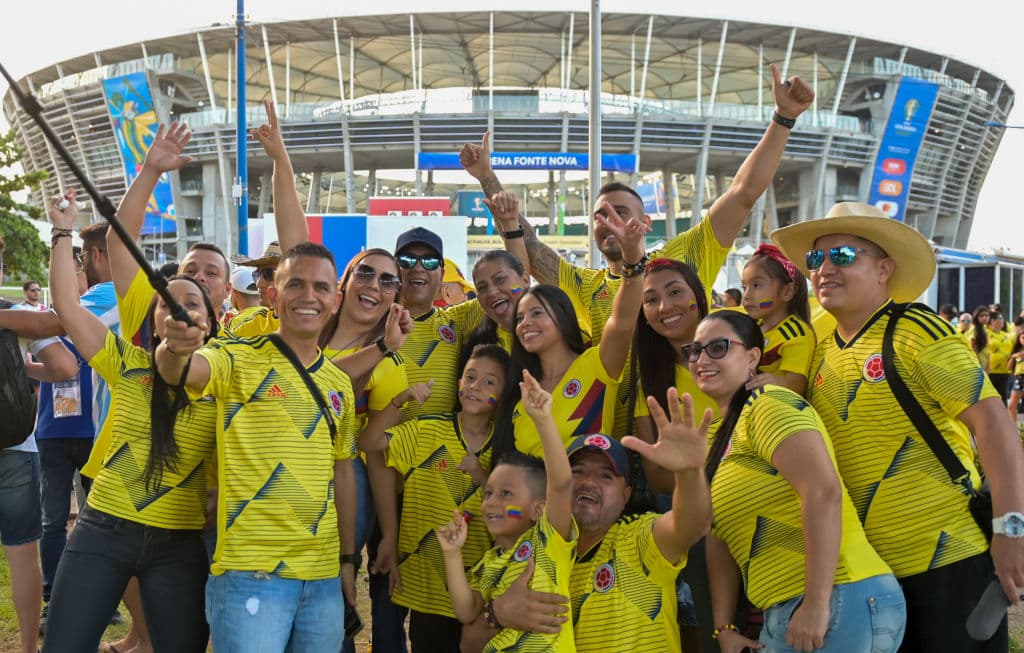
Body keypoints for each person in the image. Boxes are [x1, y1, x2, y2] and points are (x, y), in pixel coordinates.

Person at [465, 63, 813, 436]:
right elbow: (526, 239)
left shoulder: (686, 256)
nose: (609, 221)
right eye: (600, 216)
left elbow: (743, 192)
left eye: (621, 212)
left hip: (708, 431)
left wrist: (783, 118)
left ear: (646, 223)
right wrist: (487, 177)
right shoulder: (583, 285)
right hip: (608, 447)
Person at [772, 201, 1024, 652]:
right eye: (816, 259)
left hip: (947, 560)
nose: (824, 269)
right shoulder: (820, 349)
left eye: (843, 256)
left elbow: (993, 425)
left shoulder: (915, 330)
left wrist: (1011, 531)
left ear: (885, 268)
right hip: (869, 577)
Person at [156, 242, 361, 651]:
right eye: (295, 284)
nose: (309, 296)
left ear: (335, 301)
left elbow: (342, 474)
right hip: (250, 573)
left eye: (321, 287)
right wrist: (174, 347)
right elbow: (182, 371)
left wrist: (348, 562)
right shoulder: (236, 357)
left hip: (321, 579)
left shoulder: (339, 384)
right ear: (272, 295)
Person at [43, 199, 218, 652]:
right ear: (154, 318)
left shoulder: (228, 376)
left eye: (192, 302)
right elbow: (65, 304)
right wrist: (63, 231)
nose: (178, 310)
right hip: (102, 528)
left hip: (180, 542)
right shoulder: (127, 362)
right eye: (168, 303)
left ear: (211, 320)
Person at [690, 310, 904, 653]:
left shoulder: (768, 404)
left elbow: (822, 491)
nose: (702, 359)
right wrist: (724, 628)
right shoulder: (717, 436)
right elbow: (718, 540)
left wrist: (817, 604)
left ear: (753, 358)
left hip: (836, 597)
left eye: (718, 347)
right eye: (695, 350)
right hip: (790, 608)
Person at [360, 344, 508, 652]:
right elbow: (370, 441)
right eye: (470, 377)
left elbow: (514, 513)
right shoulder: (426, 430)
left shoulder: (507, 447)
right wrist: (400, 399)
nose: (475, 387)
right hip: (425, 587)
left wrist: (482, 476)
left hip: (477, 591)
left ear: (504, 394)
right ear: (458, 383)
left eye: (489, 382)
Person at [438, 369, 576, 652]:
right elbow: (467, 613)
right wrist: (452, 555)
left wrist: (542, 420)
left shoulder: (547, 541)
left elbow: (561, 484)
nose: (491, 502)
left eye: (506, 494)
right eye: (488, 493)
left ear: (538, 509)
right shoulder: (488, 562)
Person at [497, 207, 647, 458]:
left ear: (563, 317)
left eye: (537, 313)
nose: (524, 324)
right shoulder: (522, 388)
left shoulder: (597, 365)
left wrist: (632, 261)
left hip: (587, 494)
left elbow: (622, 322)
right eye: (520, 318)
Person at [319, 248, 411, 653]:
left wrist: (389, 533)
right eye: (366, 273)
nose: (374, 285)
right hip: (281, 475)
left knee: (331, 600)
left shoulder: (389, 365)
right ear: (346, 280)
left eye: (388, 280)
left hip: (342, 486)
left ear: (395, 298)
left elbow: (377, 457)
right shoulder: (306, 328)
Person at [0, 237, 77, 653]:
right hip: (16, 446)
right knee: (21, 552)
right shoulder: (15, 315)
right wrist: (23, 372)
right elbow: (65, 367)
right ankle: (29, 646)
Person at [740, 243, 815, 395]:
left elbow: (798, 384)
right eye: (744, 287)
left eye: (756, 285)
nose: (746, 296)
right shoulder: (752, 327)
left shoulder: (796, 334)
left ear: (787, 291)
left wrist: (775, 381)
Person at [987, 312, 1013, 404]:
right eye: (1000, 318)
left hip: (1005, 371)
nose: (1003, 320)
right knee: (991, 399)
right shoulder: (986, 333)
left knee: (1003, 398)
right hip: (990, 371)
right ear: (993, 321)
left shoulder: (1005, 335)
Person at [969, 305, 992, 372]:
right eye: (981, 316)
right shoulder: (974, 329)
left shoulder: (984, 329)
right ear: (976, 317)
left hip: (984, 362)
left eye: (986, 315)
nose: (984, 317)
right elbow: (972, 347)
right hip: (977, 364)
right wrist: (978, 363)